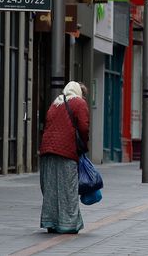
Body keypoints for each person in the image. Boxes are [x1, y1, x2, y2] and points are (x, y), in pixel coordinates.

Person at [39, 81, 90, 234]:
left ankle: (51, 222)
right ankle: (68, 223)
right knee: (68, 188)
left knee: (51, 188)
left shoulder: (56, 103)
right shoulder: (79, 103)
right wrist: (83, 144)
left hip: (47, 150)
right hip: (66, 151)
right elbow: (84, 127)